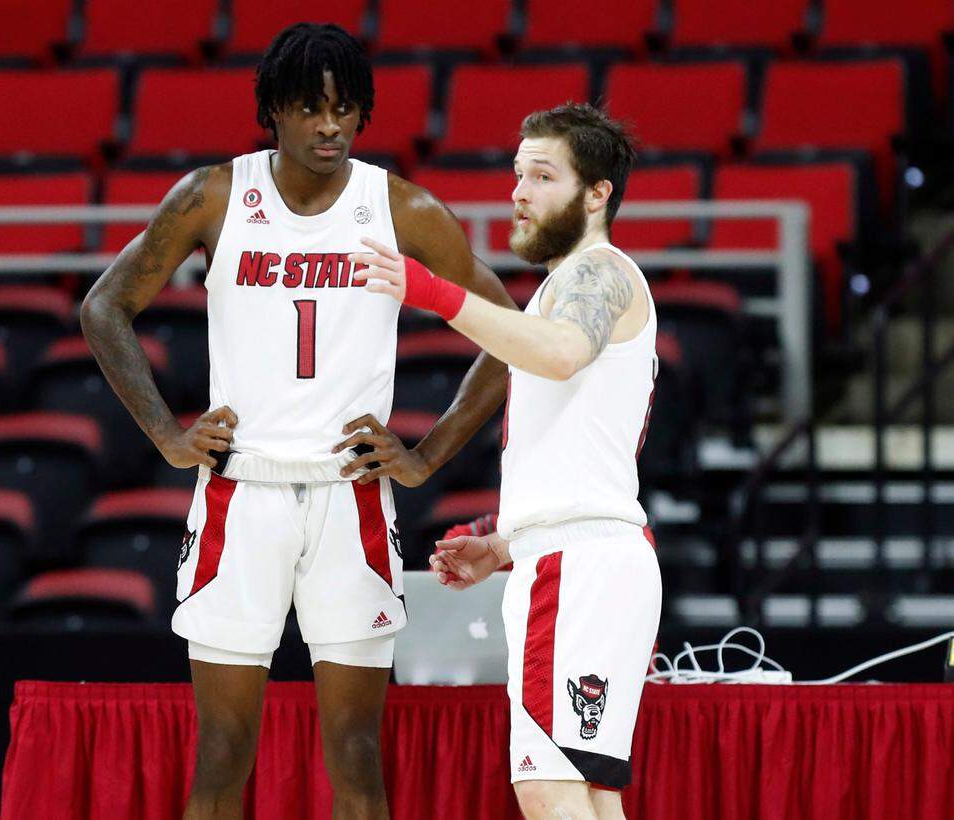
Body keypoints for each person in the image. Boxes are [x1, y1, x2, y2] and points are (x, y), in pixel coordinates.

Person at [79, 22, 515, 820]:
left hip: (349, 496)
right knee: (222, 753)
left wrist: (426, 456)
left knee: (355, 754)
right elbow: (104, 306)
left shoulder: (401, 207)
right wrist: (167, 437)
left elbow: (507, 329)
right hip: (238, 496)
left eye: (347, 109)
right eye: (311, 109)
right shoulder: (215, 195)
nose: (331, 127)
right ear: (273, 111)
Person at [349, 102, 661, 820]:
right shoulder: (573, 285)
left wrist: (432, 292)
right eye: (518, 174)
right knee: (587, 793)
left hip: (578, 566)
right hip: (583, 554)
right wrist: (504, 542)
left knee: (548, 787)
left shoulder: (598, 273)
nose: (519, 191)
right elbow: (580, 448)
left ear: (596, 193)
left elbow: (557, 353)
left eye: (543, 176)